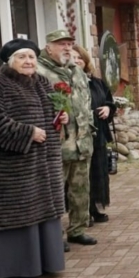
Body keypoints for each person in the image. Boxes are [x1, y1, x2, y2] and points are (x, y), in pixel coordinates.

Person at [0, 39, 66, 278]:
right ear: (9, 61)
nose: (28, 61)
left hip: (42, 164)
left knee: (43, 213)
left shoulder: (41, 83)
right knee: (21, 215)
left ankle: (46, 262)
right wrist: (28, 133)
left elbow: (50, 114)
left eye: (32, 57)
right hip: (11, 169)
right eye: (22, 57)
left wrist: (60, 118)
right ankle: (18, 268)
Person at [37, 30, 96, 247]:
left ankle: (77, 229)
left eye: (70, 43)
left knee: (80, 188)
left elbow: (86, 101)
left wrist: (89, 127)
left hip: (81, 142)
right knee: (54, 191)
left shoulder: (76, 71)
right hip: (56, 144)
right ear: (49, 46)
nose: (67, 47)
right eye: (61, 44)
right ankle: (54, 236)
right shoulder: (39, 71)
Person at [71, 45, 116, 224]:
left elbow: (109, 102)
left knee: (98, 172)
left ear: (85, 61)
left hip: (98, 135)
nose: (76, 61)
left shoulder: (97, 82)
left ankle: (95, 208)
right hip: (78, 137)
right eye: (72, 58)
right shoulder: (68, 82)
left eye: (79, 58)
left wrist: (107, 108)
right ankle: (82, 213)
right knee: (82, 176)